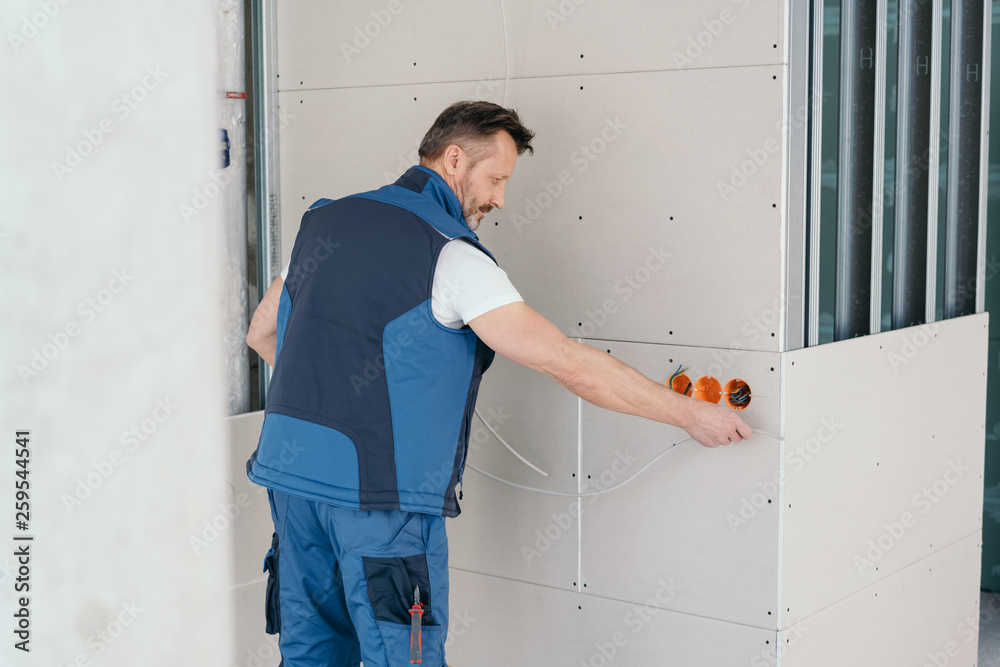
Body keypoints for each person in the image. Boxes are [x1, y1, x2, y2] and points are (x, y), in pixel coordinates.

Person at [245, 100, 750, 667]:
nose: (500, 199)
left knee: (310, 653)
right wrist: (691, 415)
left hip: (289, 484)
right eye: (496, 179)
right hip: (381, 504)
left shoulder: (324, 223)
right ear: (454, 159)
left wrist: (331, 399)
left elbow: (262, 333)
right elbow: (567, 362)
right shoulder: (450, 255)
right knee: (399, 655)